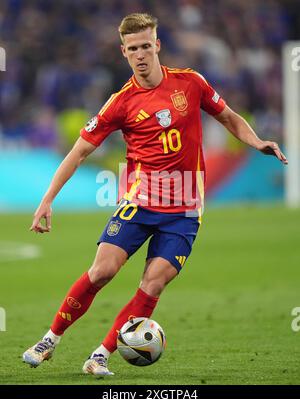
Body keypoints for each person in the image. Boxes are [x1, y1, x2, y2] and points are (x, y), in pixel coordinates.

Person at [22, 13, 288, 377]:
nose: (141, 54)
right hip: (140, 203)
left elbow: (228, 117)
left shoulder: (190, 83)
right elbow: (79, 152)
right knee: (102, 271)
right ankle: (49, 339)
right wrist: (46, 200)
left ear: (157, 45)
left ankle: (101, 354)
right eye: (133, 49)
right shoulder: (121, 102)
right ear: (124, 53)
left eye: (146, 46)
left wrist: (255, 140)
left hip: (184, 211)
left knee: (155, 280)